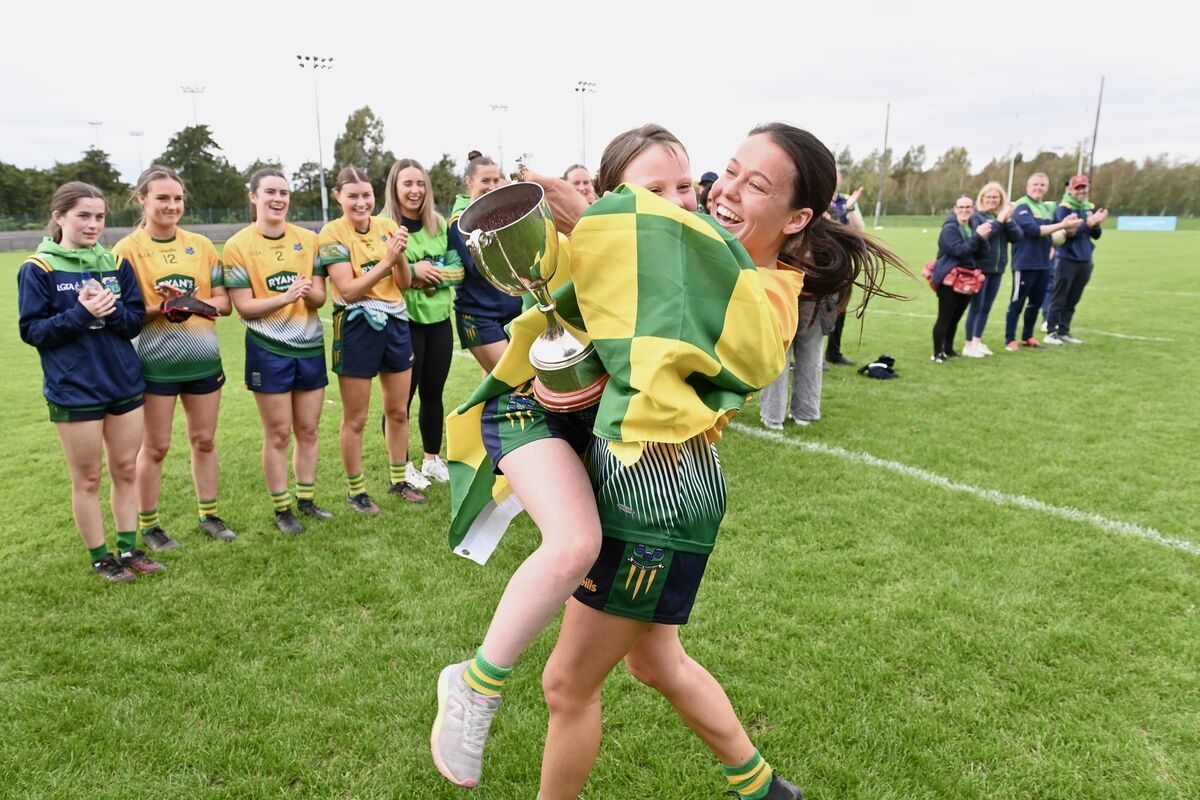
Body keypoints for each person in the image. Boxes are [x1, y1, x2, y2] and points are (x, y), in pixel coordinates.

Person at [18, 181, 157, 581]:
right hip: (74, 387)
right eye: (83, 216)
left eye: (99, 217)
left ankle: (129, 550)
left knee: (126, 469)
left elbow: (133, 321)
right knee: (89, 477)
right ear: (59, 217)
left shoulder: (115, 264)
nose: (93, 224)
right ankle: (101, 558)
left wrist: (109, 311)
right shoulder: (38, 268)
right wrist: (80, 313)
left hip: (124, 382)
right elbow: (33, 332)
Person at [113, 166, 235, 549]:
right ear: (143, 199)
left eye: (177, 198)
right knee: (157, 447)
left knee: (204, 440)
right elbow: (122, 315)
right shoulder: (126, 250)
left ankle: (209, 515)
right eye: (162, 198)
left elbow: (224, 304)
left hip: (202, 360)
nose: (172, 205)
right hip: (154, 364)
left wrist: (189, 303)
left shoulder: (200, 245)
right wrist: (161, 308)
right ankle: (150, 525)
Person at [223, 168, 333, 534]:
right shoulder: (238, 245)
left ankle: (307, 499)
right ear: (252, 196)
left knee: (309, 429)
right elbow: (242, 306)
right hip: (267, 349)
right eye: (270, 191)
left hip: (309, 345)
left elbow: (320, 297)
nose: (278, 199)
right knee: (278, 433)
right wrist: (283, 298)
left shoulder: (307, 239)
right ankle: (282, 508)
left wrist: (306, 293)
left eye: (284, 192)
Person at [318, 166, 416, 513]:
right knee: (356, 417)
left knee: (398, 410)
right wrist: (387, 259)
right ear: (338, 197)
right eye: (353, 196)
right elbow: (348, 289)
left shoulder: (387, 226)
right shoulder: (331, 233)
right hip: (357, 326)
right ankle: (356, 490)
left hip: (396, 321)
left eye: (366, 195)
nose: (361, 202)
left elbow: (403, 282)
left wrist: (400, 255)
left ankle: (398, 480)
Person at [383, 158, 463, 487]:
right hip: (403, 323)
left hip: (439, 322)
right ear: (395, 188)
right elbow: (384, 272)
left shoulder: (439, 225)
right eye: (407, 184)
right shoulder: (384, 226)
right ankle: (401, 467)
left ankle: (431, 459)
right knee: (399, 401)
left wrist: (428, 276)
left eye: (420, 184)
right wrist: (413, 273)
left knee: (434, 394)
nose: (415, 190)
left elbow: (458, 270)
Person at [450, 155, 522, 374]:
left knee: (492, 393)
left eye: (495, 180)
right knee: (512, 379)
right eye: (485, 181)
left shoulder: (500, 215)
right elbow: (479, 266)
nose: (492, 186)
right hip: (480, 316)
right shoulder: (461, 222)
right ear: (470, 182)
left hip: (510, 313)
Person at [1003, 172, 1081, 351]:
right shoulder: (1022, 205)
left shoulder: (1046, 208)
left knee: (1035, 303)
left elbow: (1057, 233)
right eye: (1035, 185)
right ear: (1028, 186)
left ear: (1047, 188)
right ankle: (1010, 339)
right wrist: (1062, 225)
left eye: (1042, 185)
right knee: (1017, 303)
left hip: (1044, 263)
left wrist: (1069, 228)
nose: (1038, 188)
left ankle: (1027, 336)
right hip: (1024, 262)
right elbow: (1033, 230)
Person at [1044, 175, 1107, 345]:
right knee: (1059, 297)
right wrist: (1088, 223)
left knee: (1073, 299)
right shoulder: (1064, 208)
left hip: (1085, 259)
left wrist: (1096, 224)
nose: (1081, 191)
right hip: (1067, 258)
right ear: (1071, 189)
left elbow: (1096, 235)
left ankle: (1064, 330)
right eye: (1078, 188)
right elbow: (1068, 235)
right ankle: (1051, 331)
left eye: (1084, 187)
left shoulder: (1090, 207)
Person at [929, 196, 991, 363]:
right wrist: (978, 237)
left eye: (968, 207)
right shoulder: (949, 229)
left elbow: (984, 253)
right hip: (950, 279)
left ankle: (948, 349)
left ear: (973, 210)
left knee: (955, 317)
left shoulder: (973, 227)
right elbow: (959, 251)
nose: (964, 210)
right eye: (961, 207)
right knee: (945, 317)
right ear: (955, 209)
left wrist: (982, 240)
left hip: (968, 279)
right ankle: (937, 353)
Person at [963, 182, 1019, 357]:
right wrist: (1000, 220)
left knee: (986, 306)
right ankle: (968, 344)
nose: (992, 200)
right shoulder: (977, 217)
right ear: (982, 198)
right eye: (988, 197)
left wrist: (1008, 221)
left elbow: (1017, 236)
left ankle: (977, 341)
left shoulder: (1002, 218)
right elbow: (986, 234)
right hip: (981, 268)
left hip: (997, 268)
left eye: (995, 197)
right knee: (976, 306)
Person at [823, 166, 865, 366]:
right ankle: (809, 357)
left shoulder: (846, 200)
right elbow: (827, 225)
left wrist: (850, 208)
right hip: (821, 261)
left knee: (841, 306)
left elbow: (858, 230)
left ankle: (833, 352)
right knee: (816, 308)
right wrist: (845, 209)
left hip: (843, 260)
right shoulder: (819, 197)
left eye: (837, 173)